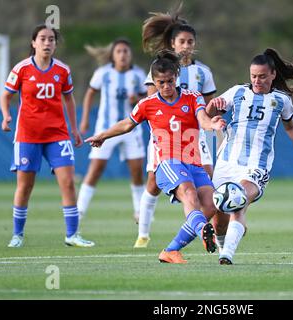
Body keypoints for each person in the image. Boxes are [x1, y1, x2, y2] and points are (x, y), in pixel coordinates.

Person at [85, 50, 226, 263]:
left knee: (211, 204)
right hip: (167, 162)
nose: (166, 87)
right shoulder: (147, 104)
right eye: (161, 83)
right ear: (154, 81)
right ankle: (202, 230)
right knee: (189, 194)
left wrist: (212, 124)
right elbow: (126, 124)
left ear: (176, 77)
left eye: (170, 81)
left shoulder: (192, 97)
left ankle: (171, 250)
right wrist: (103, 135)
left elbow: (202, 118)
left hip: (193, 161)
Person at [207, 48, 293, 264]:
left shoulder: (282, 100)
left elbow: (290, 126)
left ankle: (227, 255)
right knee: (219, 222)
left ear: (272, 75)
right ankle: (226, 243)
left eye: (262, 76)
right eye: (253, 76)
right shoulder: (236, 92)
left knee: (238, 202)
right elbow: (209, 113)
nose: (257, 80)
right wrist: (214, 107)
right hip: (226, 161)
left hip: (256, 165)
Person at [1, 24, 94, 248]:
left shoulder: (62, 70)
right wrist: (5, 117)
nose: (47, 43)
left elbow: (69, 99)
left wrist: (74, 129)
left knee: (68, 183)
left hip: (57, 135)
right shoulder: (22, 69)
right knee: (25, 186)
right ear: (33, 43)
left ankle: (72, 235)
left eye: (51, 39)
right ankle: (17, 235)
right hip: (28, 135)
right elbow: (6, 96)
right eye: (42, 39)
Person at [133, 5, 218, 248]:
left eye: (191, 41)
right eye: (182, 41)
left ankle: (201, 228)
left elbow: (209, 105)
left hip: (195, 135)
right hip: (165, 135)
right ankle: (143, 233)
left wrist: (212, 118)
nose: (187, 45)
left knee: (207, 184)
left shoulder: (203, 72)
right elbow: (151, 103)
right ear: (173, 43)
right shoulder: (161, 70)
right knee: (153, 183)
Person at [77, 38, 147, 224]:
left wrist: (137, 98)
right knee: (96, 169)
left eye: (126, 51)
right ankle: (79, 211)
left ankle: (140, 212)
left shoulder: (138, 75)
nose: (123, 54)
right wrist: (84, 119)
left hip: (131, 129)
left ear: (130, 54)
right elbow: (90, 93)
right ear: (113, 55)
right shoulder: (103, 73)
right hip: (106, 128)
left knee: (137, 170)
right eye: (119, 51)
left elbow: (148, 97)